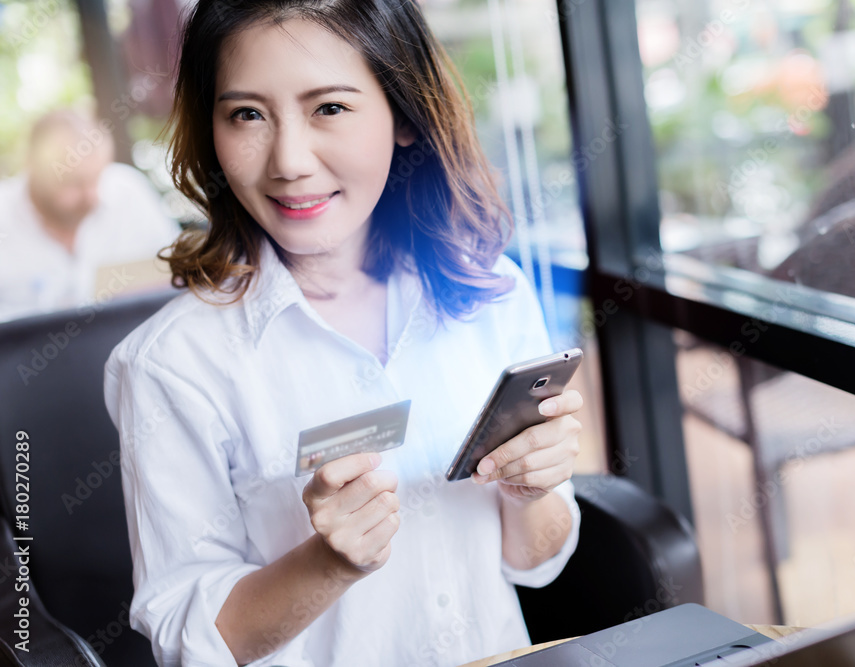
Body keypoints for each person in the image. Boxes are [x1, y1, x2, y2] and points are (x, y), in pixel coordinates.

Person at [102, 1, 583, 666]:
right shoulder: (170, 364)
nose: (290, 162)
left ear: (404, 115)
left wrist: (529, 488)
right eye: (247, 114)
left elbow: (536, 561)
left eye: (328, 107)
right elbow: (191, 640)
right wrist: (329, 561)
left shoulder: (491, 293)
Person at [0, 110, 179, 321]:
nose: (91, 197)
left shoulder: (129, 191)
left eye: (96, 178)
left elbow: (178, 269)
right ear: (33, 169)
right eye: (73, 183)